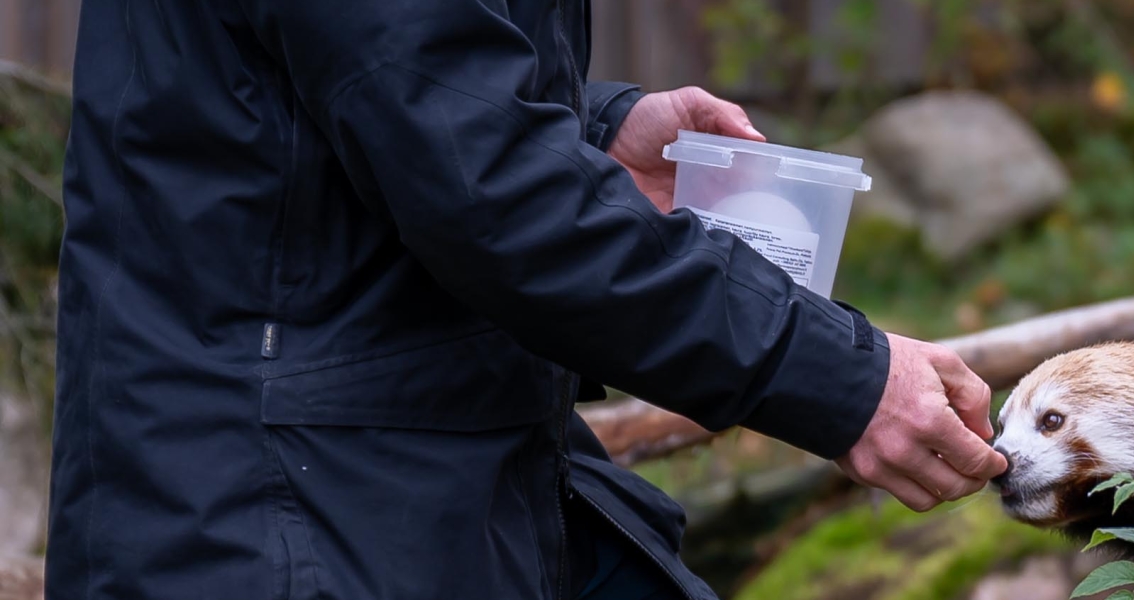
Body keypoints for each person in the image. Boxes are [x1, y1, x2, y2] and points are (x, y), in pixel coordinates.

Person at [47, 1, 1008, 599]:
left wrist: (591, 124)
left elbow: (394, 83)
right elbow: (494, 193)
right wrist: (837, 376)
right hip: (277, 507)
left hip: (410, 456)